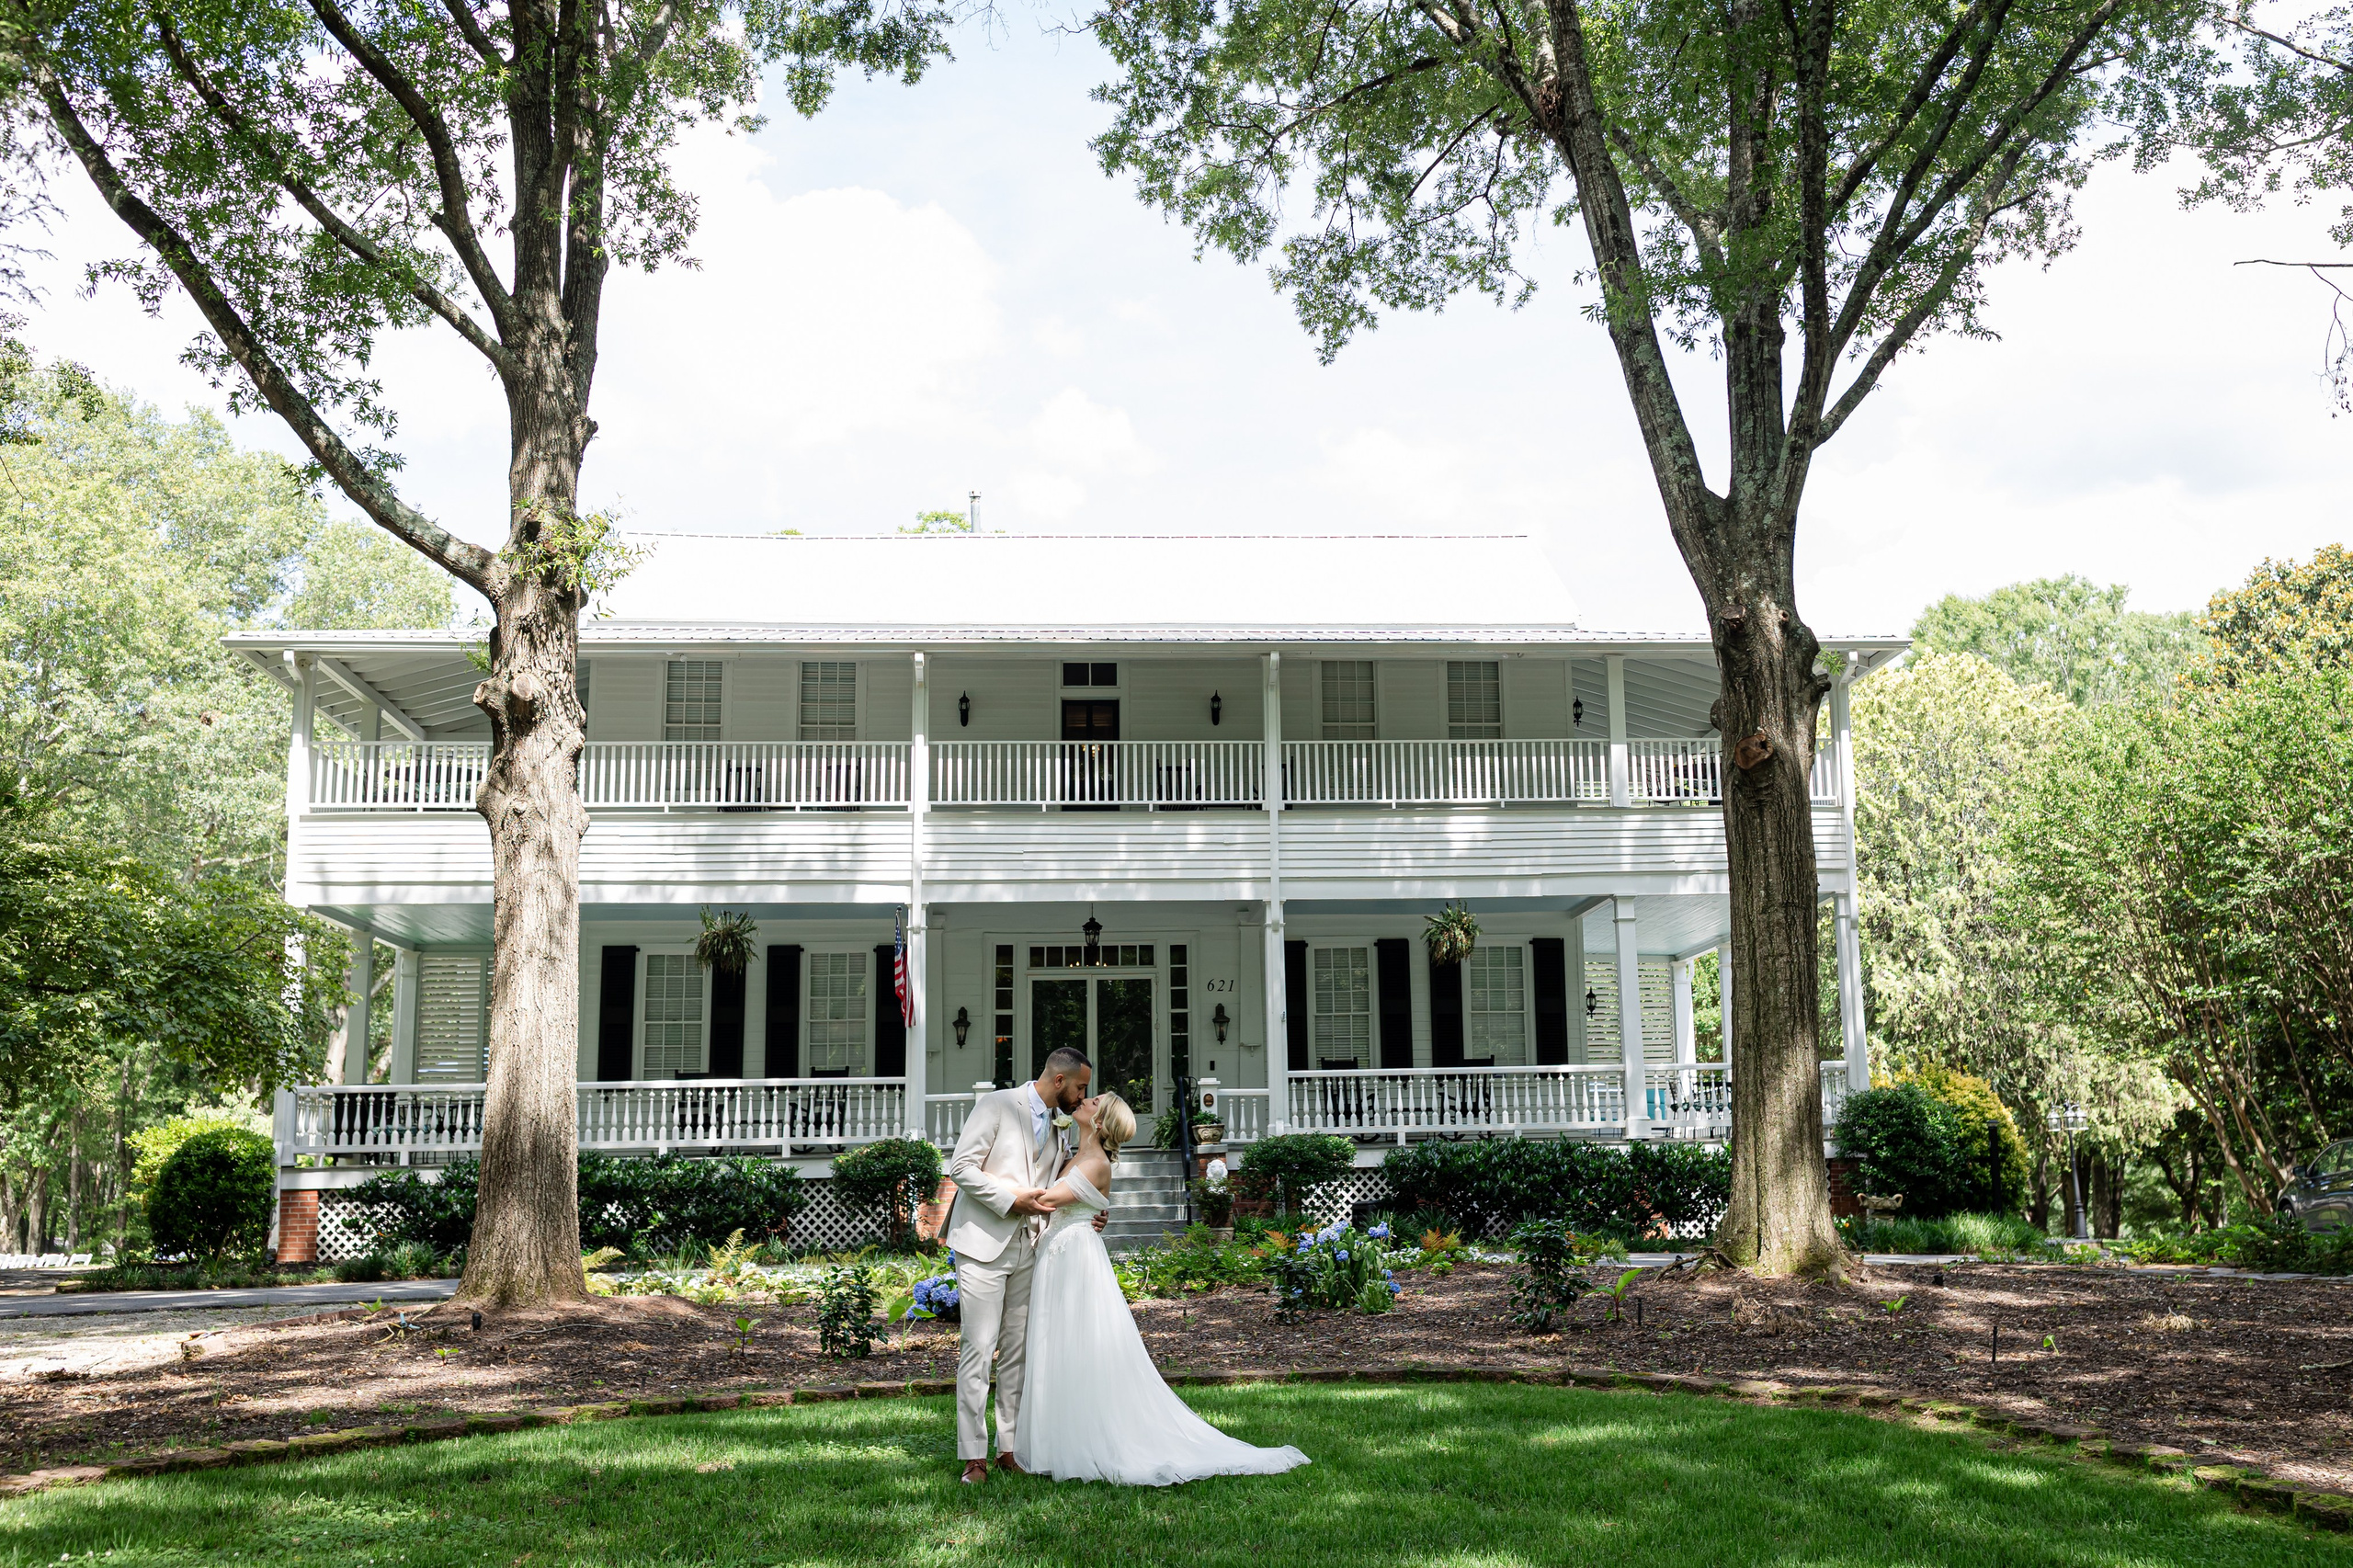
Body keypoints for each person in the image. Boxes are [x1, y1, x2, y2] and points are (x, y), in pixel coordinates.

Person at [1014, 1092, 1311, 1486]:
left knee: (1079, 1342)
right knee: (1060, 1342)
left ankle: (1089, 1441)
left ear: (1099, 1122)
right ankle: (1057, 1439)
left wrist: (985, 1183)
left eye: (1094, 1101)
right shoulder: (1072, 1153)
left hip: (1075, 1257)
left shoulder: (1096, 1163)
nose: (1085, 1100)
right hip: (1059, 1253)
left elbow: (1044, 1200)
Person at [944, 1046, 1097, 1485]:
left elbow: (1058, 1184)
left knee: (1018, 1351)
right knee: (978, 1348)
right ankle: (974, 1456)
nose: (1081, 1096)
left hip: (1030, 1245)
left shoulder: (1059, 1125)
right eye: (1080, 1088)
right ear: (1059, 1080)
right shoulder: (996, 1105)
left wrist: (1089, 1211)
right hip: (982, 1244)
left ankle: (1008, 1448)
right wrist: (1011, 1200)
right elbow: (962, 1168)